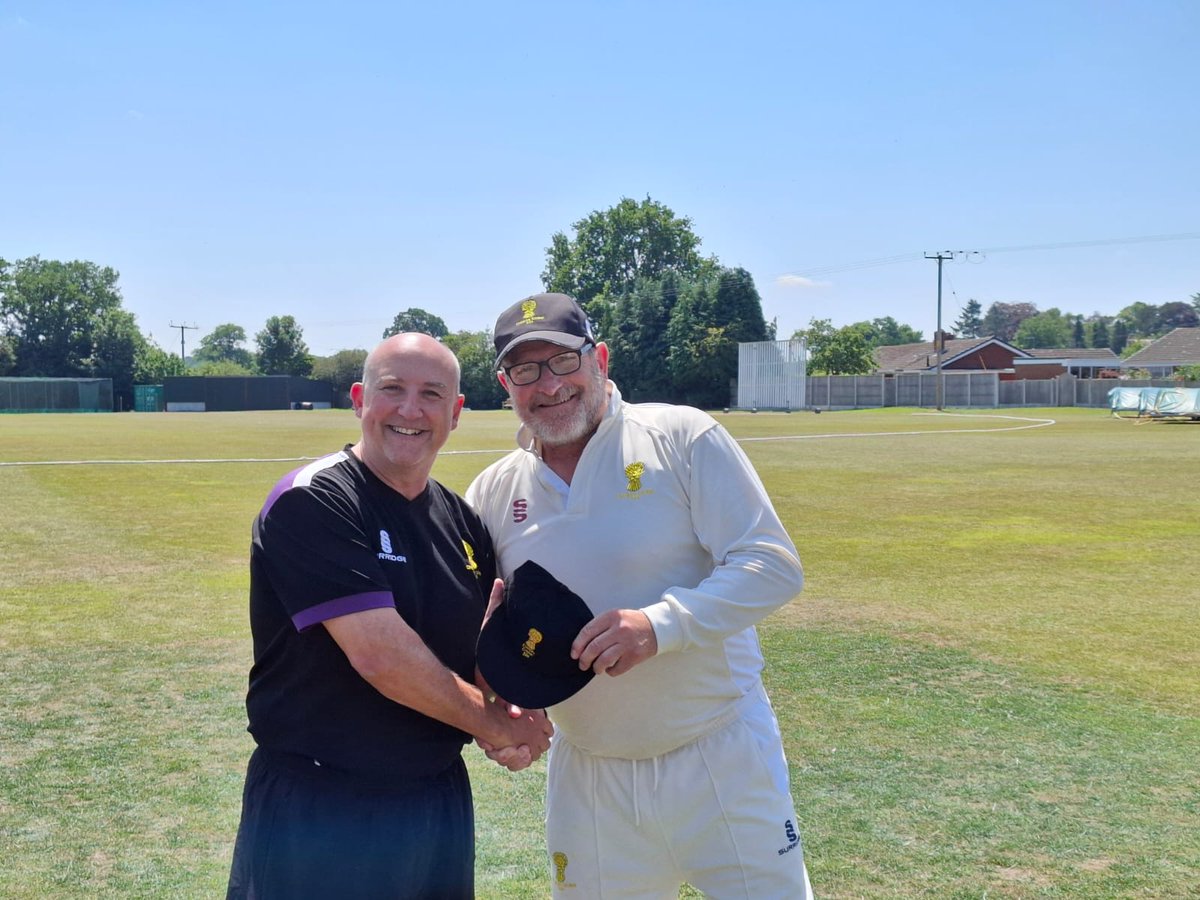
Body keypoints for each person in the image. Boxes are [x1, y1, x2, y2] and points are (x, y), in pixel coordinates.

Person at [467, 292, 813, 899]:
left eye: (564, 361)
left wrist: (660, 627)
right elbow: (484, 619)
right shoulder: (494, 490)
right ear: (506, 385)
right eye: (525, 370)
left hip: (719, 753)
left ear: (599, 358)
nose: (548, 384)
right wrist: (503, 699)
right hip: (589, 771)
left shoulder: (680, 435)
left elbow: (771, 564)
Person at [226, 332, 552, 900]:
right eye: (392, 389)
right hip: (324, 807)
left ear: (455, 413)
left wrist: (514, 703)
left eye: (431, 394)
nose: (410, 410)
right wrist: (498, 727)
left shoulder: (463, 522)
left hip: (435, 799)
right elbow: (382, 657)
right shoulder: (313, 500)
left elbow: (479, 651)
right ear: (359, 400)